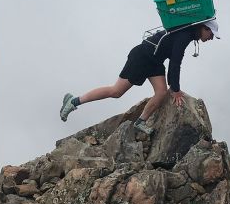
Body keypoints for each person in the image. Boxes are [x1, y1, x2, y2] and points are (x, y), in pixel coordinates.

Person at [60, 18, 221, 134]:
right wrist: (176, 89)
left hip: (155, 61)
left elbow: (174, 59)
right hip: (142, 56)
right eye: (211, 34)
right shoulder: (184, 35)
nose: (211, 38)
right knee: (116, 92)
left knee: (161, 93)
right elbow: (175, 62)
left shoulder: (187, 33)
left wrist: (173, 87)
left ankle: (141, 122)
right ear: (204, 28)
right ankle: (73, 101)